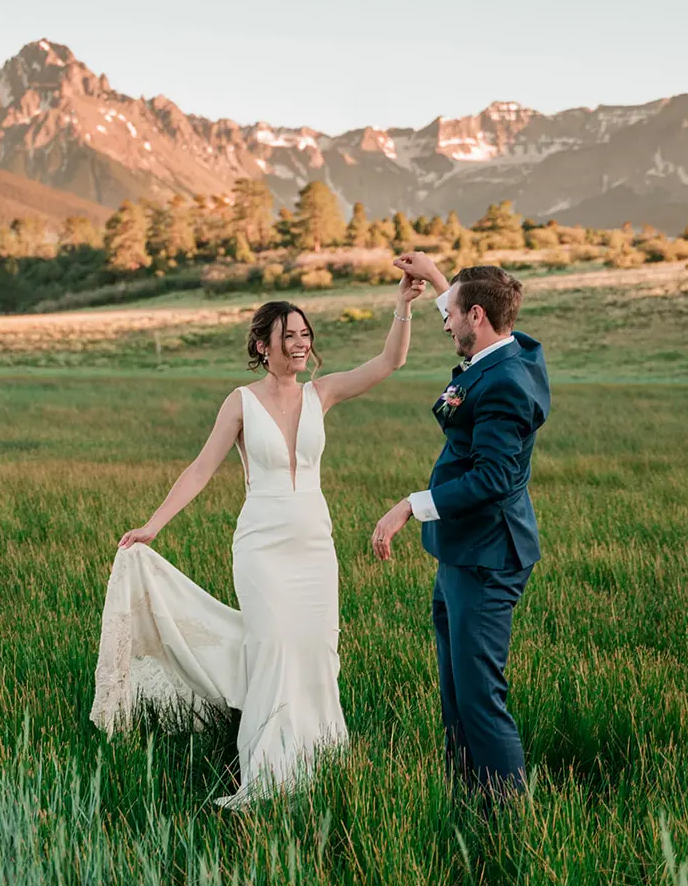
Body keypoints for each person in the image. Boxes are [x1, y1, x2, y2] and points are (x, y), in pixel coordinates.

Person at [91, 262, 433, 807]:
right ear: (262, 345)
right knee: (272, 647)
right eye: (287, 337)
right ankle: (269, 774)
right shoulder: (241, 403)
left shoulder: (323, 393)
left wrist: (404, 304)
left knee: (317, 651)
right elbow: (201, 469)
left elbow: (391, 361)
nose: (299, 345)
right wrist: (154, 525)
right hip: (262, 547)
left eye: (304, 336)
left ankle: (318, 760)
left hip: (315, 546)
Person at [372, 256, 550, 797]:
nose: (443, 321)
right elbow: (480, 319)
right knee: (456, 695)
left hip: (486, 557)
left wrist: (410, 504)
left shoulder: (506, 384)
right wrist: (442, 279)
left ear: (475, 315)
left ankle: (508, 821)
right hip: (462, 555)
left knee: (478, 698)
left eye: (449, 313)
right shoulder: (510, 351)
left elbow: (494, 476)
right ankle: (465, 799)